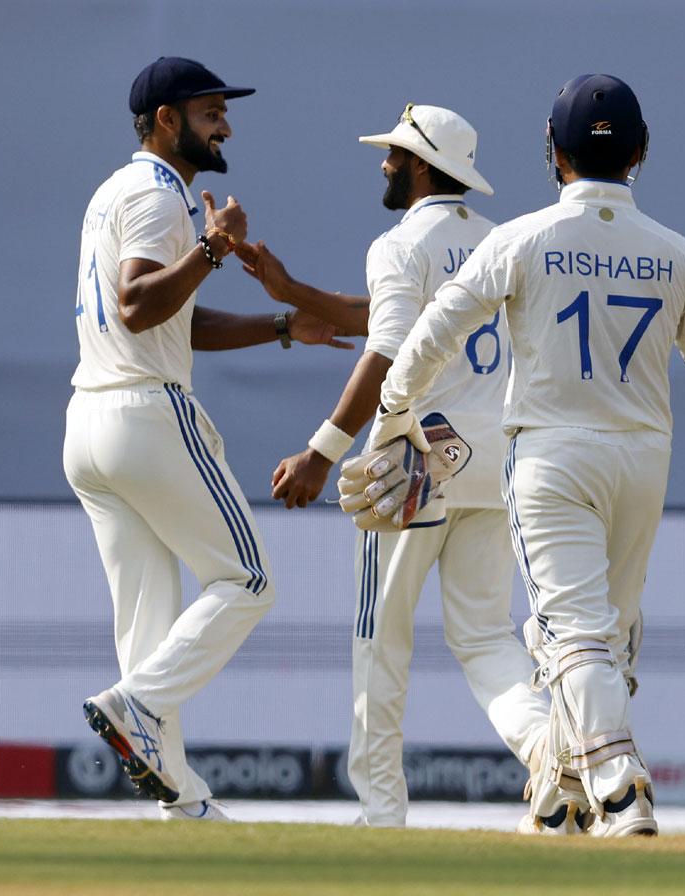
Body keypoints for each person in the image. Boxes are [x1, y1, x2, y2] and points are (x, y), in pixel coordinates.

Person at [363, 74, 685, 836]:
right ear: (641, 153)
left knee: (574, 633)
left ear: (552, 154)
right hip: (642, 454)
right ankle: (561, 787)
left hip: (552, 456)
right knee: (606, 631)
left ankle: (620, 782)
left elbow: (436, 328)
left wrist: (392, 411)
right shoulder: (674, 250)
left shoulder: (522, 238)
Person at [66, 56, 364, 821]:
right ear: (167, 120)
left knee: (148, 618)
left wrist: (280, 326)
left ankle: (180, 802)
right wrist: (212, 246)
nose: (225, 124)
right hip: (143, 416)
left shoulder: (113, 191)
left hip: (90, 424)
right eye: (209, 113)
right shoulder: (161, 194)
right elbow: (138, 305)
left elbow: (171, 321)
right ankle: (135, 707)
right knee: (247, 582)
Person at [242, 103, 551, 827]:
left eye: (392, 154)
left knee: (380, 637)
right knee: (484, 637)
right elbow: (393, 318)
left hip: (413, 459)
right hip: (493, 459)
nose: (383, 164)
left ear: (419, 165)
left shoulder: (398, 241)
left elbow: (386, 349)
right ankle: (549, 751)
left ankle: (382, 812)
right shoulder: (505, 241)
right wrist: (293, 296)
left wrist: (322, 450)